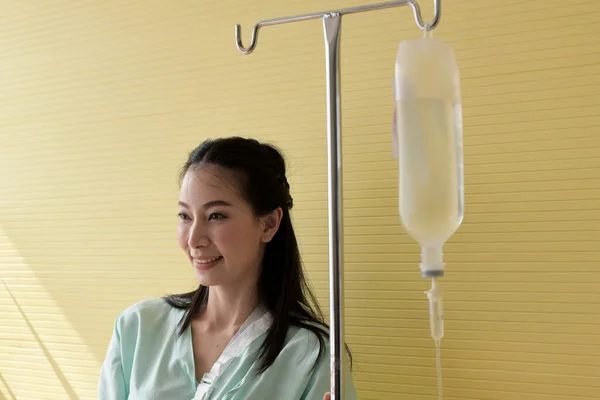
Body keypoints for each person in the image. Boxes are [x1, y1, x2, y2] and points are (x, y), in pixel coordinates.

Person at [98, 137, 357, 399]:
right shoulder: (138, 327)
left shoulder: (313, 355)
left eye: (216, 216)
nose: (194, 239)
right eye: (185, 216)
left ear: (268, 224)